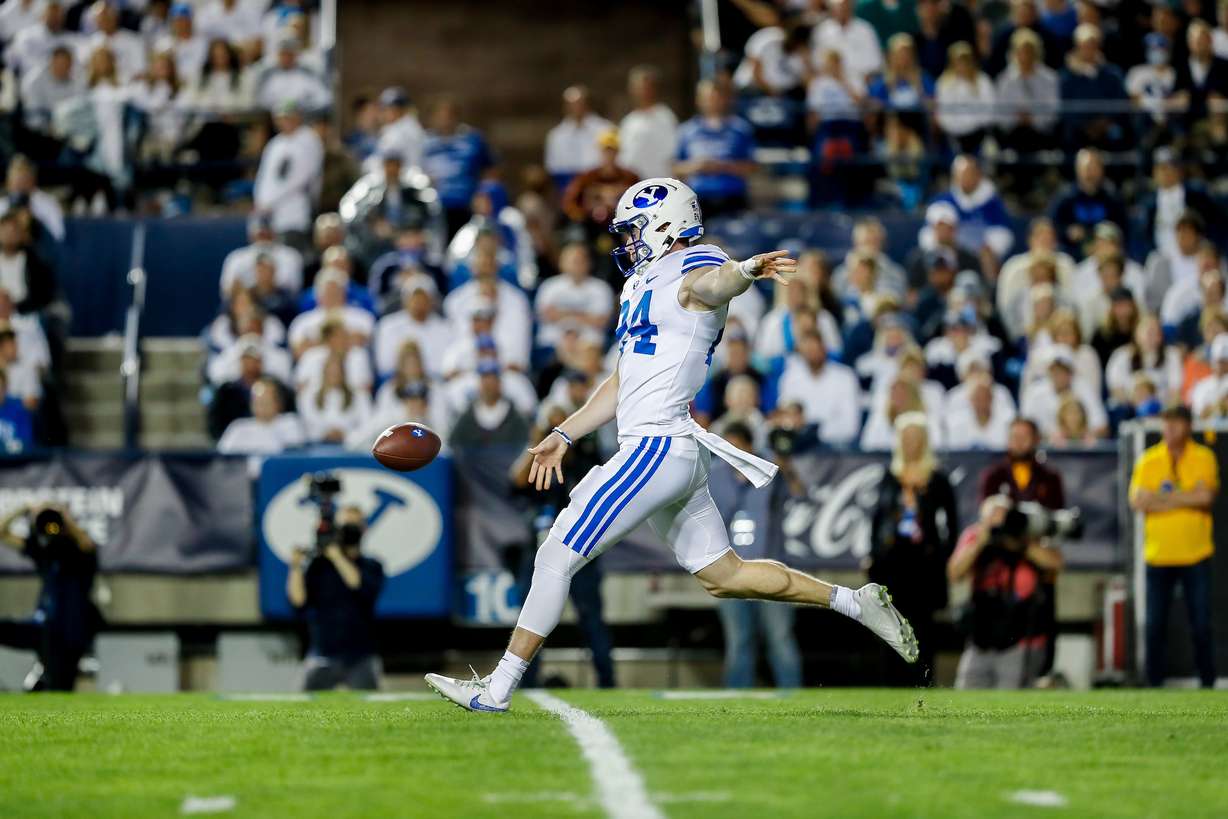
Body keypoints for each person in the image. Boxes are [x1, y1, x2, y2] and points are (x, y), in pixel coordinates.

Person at [425, 178, 918, 713]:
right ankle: (854, 602)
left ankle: (496, 690)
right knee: (724, 575)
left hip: (656, 446)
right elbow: (621, 380)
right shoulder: (639, 284)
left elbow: (711, 286)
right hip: (668, 447)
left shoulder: (697, 261)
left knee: (555, 554)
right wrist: (565, 433)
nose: (629, 241)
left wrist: (746, 271)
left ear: (666, 225)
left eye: (635, 229)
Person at [507, 404, 615, 689]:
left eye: (560, 425)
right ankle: (526, 682)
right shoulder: (538, 460)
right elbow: (515, 482)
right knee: (531, 616)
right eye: (550, 426)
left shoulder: (582, 459)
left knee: (591, 620)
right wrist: (538, 443)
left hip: (578, 550)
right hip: (539, 551)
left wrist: (567, 443)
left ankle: (607, 681)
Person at [1129, 404, 1218, 688]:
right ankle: (1153, 685)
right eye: (1166, 424)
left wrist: (1162, 501)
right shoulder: (1149, 459)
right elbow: (1138, 502)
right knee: (1154, 626)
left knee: (1201, 624)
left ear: (1188, 426)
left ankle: (1208, 683)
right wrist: (1184, 497)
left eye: (1176, 424)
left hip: (1195, 553)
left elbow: (1205, 497)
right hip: (1159, 554)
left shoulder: (1203, 456)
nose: (1169, 429)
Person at [710, 421, 804, 688]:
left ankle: (793, 697)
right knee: (739, 639)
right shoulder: (716, 476)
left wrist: (786, 466)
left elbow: (799, 496)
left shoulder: (770, 472)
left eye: (737, 448)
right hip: (732, 571)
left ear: (750, 448)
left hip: (770, 568)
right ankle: (736, 701)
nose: (732, 455)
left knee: (780, 636)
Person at [869, 412, 958, 683]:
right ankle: (891, 684)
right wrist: (874, 555)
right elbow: (877, 520)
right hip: (892, 564)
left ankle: (922, 682)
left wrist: (941, 555)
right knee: (889, 625)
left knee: (923, 629)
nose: (911, 443)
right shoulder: (891, 476)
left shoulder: (937, 479)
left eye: (916, 437)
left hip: (924, 566)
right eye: (906, 438)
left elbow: (952, 524)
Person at [948, 494, 1063, 688]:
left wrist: (1020, 544)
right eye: (993, 517)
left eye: (1003, 516)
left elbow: (1055, 563)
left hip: (1020, 639)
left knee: (1010, 701)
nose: (999, 524)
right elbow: (954, 573)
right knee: (966, 696)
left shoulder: (1026, 535)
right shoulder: (976, 535)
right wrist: (981, 542)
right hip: (981, 638)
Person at [0, 504, 103, 691]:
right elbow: (2, 532)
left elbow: (86, 544)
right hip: (43, 626)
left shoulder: (79, 554)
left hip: (72, 631)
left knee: (61, 686)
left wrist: (63, 517)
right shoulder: (45, 552)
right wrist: (23, 509)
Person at [287, 505, 386, 691]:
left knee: (373, 712)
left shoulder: (372, 565)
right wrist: (295, 567)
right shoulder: (320, 566)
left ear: (364, 528)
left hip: (361, 656)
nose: (349, 530)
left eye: (353, 525)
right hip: (322, 653)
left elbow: (359, 586)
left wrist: (336, 556)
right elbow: (298, 601)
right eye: (344, 526)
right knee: (303, 710)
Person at [674, 81, 756, 218]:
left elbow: (752, 167)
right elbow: (676, 167)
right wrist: (697, 166)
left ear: (725, 99)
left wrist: (723, 166)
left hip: (732, 199)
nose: (712, 102)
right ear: (698, 100)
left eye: (716, 98)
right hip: (698, 200)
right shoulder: (687, 131)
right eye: (707, 98)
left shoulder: (740, 129)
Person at [253, 100, 324, 250]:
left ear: (298, 117)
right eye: (281, 118)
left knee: (292, 253)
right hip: (269, 214)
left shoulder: (308, 139)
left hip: (295, 210)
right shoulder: (274, 144)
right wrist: (260, 202)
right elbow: (263, 176)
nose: (284, 122)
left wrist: (270, 201)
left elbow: (303, 177)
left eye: (289, 117)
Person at [544, 85, 614, 190]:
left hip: (599, 185)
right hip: (568, 186)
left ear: (587, 103)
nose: (576, 108)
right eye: (571, 104)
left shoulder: (606, 129)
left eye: (579, 103)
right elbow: (553, 168)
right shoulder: (556, 135)